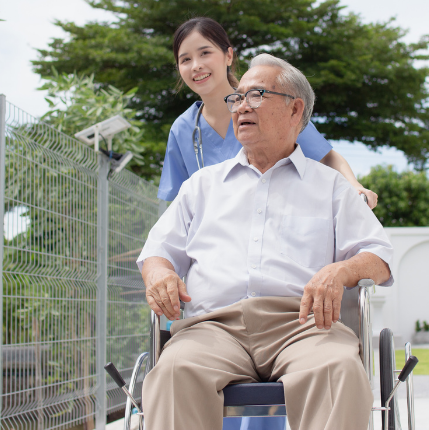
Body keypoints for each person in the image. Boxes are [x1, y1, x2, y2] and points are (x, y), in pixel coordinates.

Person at [138, 54, 394, 430]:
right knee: (174, 372)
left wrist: (341, 271)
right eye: (237, 97)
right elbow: (157, 252)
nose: (241, 106)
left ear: (295, 110)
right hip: (212, 328)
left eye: (256, 95)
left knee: (338, 369)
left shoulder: (331, 187)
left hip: (304, 326)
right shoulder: (202, 186)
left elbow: (379, 257)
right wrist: (159, 273)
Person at [157, 17, 378, 208]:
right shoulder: (182, 130)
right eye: (185, 59)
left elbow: (326, 156)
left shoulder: (270, 103)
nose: (196, 65)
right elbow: (177, 203)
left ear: (228, 56)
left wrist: (355, 187)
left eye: (205, 53)